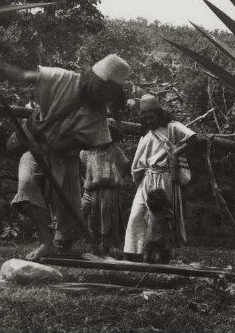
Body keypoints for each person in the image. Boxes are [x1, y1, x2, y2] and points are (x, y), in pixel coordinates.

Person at [0, 48, 129, 261]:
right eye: (103, 90)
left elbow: (83, 141)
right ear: (94, 80)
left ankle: (62, 246)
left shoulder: (98, 114)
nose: (105, 97)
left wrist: (50, 148)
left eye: (110, 94)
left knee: (68, 210)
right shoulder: (62, 78)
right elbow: (22, 76)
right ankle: (46, 242)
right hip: (33, 144)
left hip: (65, 156)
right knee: (27, 188)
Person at [123, 94, 197, 261]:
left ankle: (163, 254)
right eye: (145, 118)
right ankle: (134, 253)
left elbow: (194, 138)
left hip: (164, 177)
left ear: (159, 113)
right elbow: (139, 161)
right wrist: (138, 177)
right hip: (147, 178)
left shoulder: (172, 127)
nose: (148, 121)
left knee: (162, 219)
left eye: (151, 117)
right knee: (137, 215)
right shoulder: (146, 133)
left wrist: (175, 152)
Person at [80, 128, 131, 255]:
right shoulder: (87, 152)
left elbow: (125, 168)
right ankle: (91, 244)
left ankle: (104, 249)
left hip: (108, 190)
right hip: (90, 190)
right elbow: (81, 168)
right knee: (85, 214)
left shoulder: (115, 151)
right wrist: (87, 181)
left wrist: (116, 179)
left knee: (106, 219)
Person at [143, 188, 174, 264]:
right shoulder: (165, 213)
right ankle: (159, 270)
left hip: (148, 238)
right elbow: (172, 218)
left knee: (146, 255)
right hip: (160, 239)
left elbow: (145, 220)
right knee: (158, 255)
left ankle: (143, 268)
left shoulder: (149, 212)